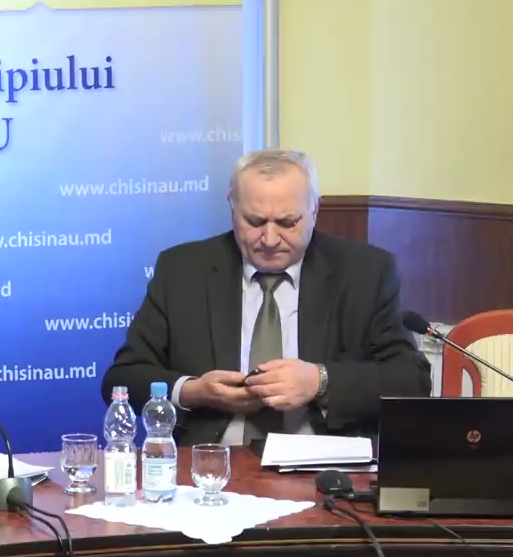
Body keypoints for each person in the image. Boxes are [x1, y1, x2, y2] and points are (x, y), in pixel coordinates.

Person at [101, 149, 431, 446]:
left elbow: (411, 380)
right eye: (255, 221)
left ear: (314, 210)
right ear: (232, 209)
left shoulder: (365, 272)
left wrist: (320, 381)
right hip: (211, 465)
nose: (270, 239)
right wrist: (194, 391)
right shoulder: (182, 271)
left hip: (323, 467)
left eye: (287, 222)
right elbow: (122, 378)